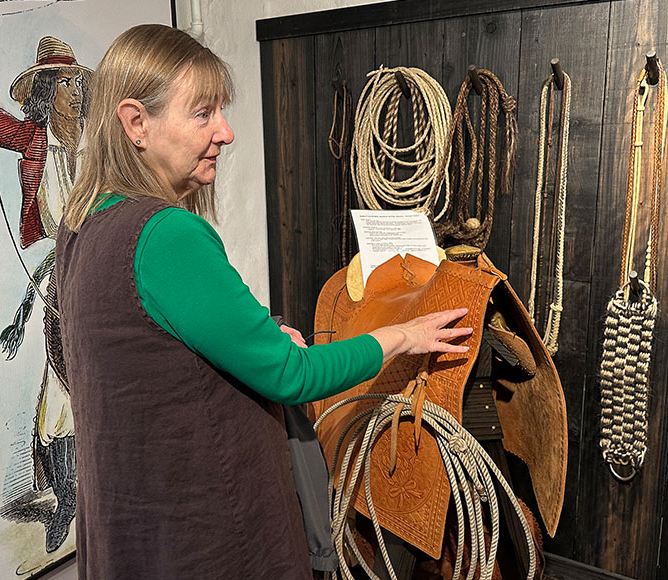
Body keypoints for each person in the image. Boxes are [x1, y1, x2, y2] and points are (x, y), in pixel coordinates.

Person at [55, 24, 472, 579]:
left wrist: (262, 333)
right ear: (136, 123)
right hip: (209, 539)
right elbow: (291, 377)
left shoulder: (83, 223)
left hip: (133, 531)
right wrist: (406, 336)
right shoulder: (165, 235)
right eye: (203, 114)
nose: (225, 132)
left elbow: (153, 352)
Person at [0, 5, 87, 553]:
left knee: (79, 382)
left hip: (105, 272)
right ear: (47, 93)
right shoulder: (34, 140)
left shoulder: (101, 144)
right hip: (64, 279)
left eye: (79, 83)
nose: (76, 93)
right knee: (63, 385)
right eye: (66, 85)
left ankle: (80, 491)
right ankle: (68, 500)